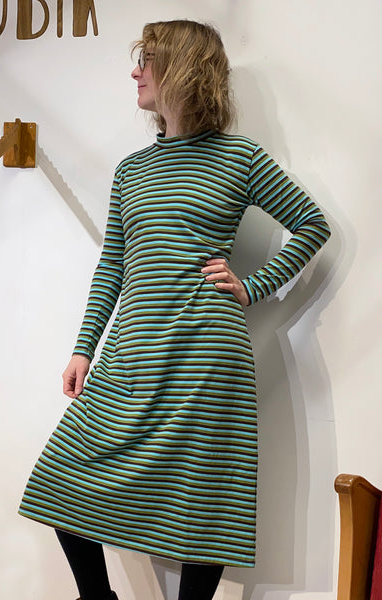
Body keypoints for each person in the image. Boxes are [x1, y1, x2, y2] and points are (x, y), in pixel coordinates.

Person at [19, 19, 331, 600]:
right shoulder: (132, 170)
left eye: (148, 61)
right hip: (132, 353)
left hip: (206, 355)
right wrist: (84, 349)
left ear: (184, 69)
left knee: (204, 501)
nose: (135, 72)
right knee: (61, 480)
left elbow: (312, 224)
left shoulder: (240, 158)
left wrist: (254, 286)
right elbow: (113, 266)